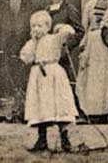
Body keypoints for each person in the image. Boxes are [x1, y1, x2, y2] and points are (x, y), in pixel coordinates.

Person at [19, 11, 78, 152]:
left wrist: (60, 28)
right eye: (33, 26)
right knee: (41, 105)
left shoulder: (53, 39)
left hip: (53, 74)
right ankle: (42, 139)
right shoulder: (31, 43)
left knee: (59, 103)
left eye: (39, 26)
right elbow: (26, 58)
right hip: (38, 75)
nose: (36, 29)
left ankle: (65, 139)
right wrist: (34, 42)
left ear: (47, 27)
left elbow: (70, 31)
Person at [46, 0, 84, 93]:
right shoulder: (47, 10)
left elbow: (80, 32)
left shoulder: (69, 10)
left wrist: (66, 46)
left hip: (64, 52)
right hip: (48, 51)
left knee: (65, 81)